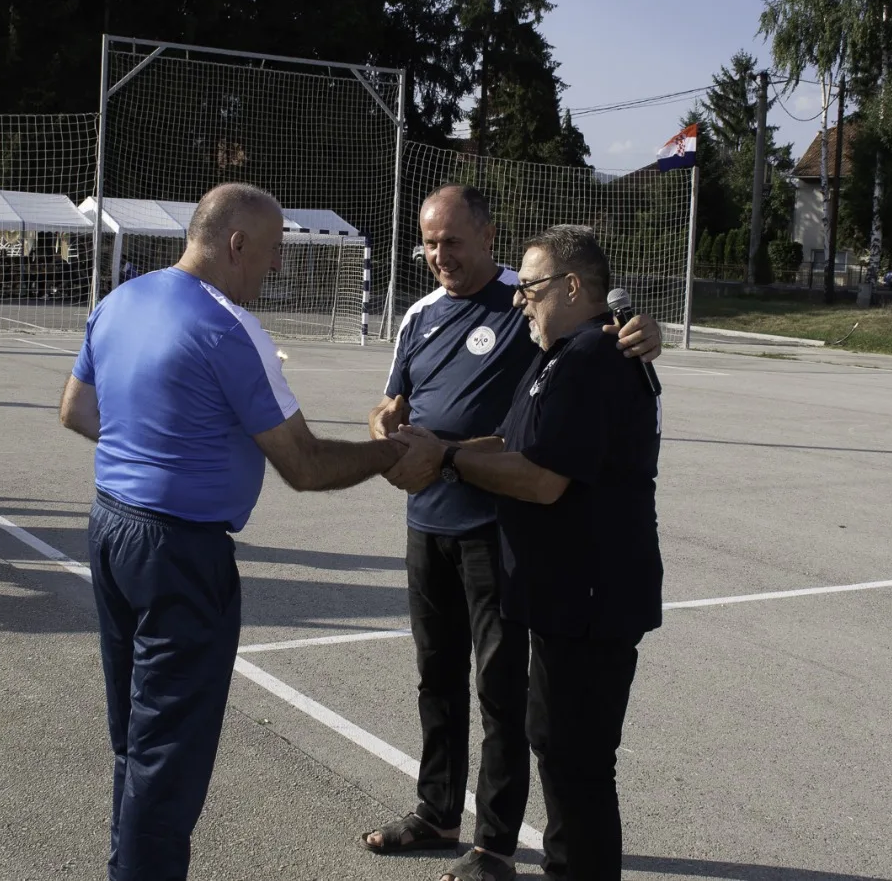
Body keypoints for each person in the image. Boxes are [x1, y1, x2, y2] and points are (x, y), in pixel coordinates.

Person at [58, 182, 407, 880]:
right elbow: (304, 464)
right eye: (273, 251)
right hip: (180, 552)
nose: (276, 266)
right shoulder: (228, 327)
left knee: (136, 737)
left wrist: (158, 444)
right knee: (168, 759)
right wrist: (391, 455)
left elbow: (76, 411)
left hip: (112, 528)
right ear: (237, 243)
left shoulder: (121, 300)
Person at [361, 186, 660, 881]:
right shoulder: (440, 319)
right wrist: (402, 440)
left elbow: (547, 471)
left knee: (528, 716)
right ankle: (440, 812)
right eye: (429, 243)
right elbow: (415, 409)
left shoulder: (559, 333)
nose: (439, 255)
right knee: (458, 689)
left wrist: (638, 327)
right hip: (454, 532)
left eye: (452, 241)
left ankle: (496, 843)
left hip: (526, 551)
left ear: (488, 237)